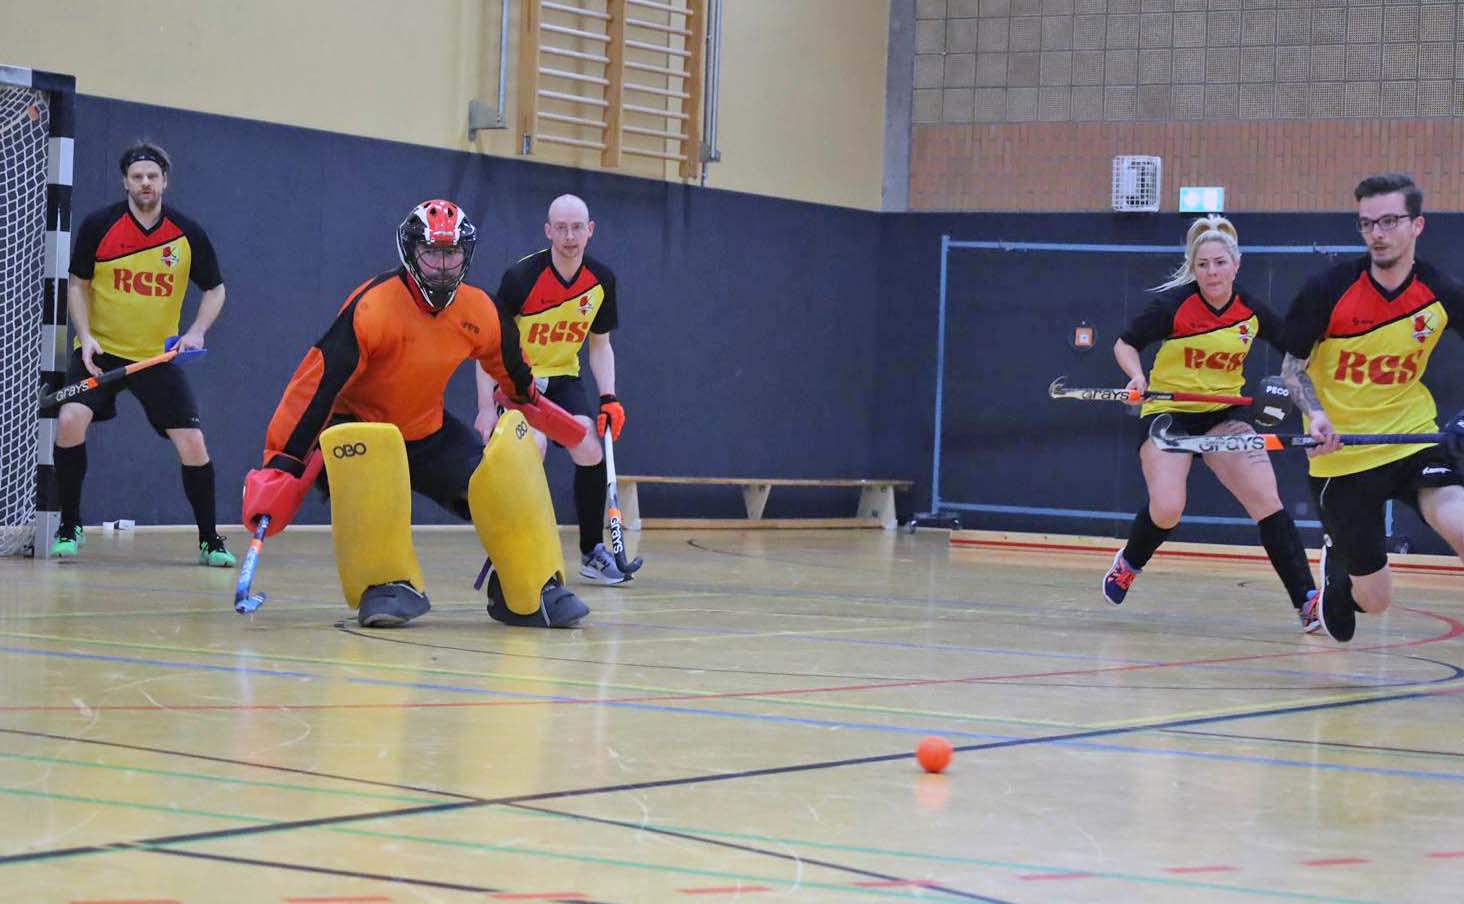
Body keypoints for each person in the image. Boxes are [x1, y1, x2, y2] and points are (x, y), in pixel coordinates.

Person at [243, 199, 590, 629]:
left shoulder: (480, 310)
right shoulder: (371, 308)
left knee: (497, 481)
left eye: (452, 254)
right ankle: (388, 584)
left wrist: (530, 403)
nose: (443, 267)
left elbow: (514, 373)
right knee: (369, 472)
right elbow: (314, 388)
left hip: (426, 430)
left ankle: (528, 588)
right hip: (360, 430)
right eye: (433, 253)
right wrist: (282, 462)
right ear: (411, 252)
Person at [1104, 215, 1318, 628]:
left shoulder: (1252, 310)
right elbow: (1125, 343)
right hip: (1170, 413)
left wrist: (1298, 385)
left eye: (1220, 263)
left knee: (1266, 501)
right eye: (1204, 265)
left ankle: (1307, 602)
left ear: (1236, 265)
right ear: (1193, 267)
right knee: (1167, 509)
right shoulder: (1173, 306)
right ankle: (1131, 560)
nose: (1213, 272)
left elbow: (1297, 349)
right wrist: (1136, 376)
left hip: (1225, 415)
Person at [1282, 174, 1464, 643]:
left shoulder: (1442, 292)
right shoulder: (1328, 290)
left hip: (1413, 440)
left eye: (1388, 221)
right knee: (1376, 602)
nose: (1376, 234)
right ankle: (1338, 568)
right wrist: (1316, 414)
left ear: (1417, 225)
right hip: (1341, 458)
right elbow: (1291, 371)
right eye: (1366, 224)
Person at [54, 141, 233, 566]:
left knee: (192, 442)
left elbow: (215, 289)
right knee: (69, 418)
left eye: (152, 176)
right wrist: (85, 335)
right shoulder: (100, 226)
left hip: (157, 358)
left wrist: (196, 332)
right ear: (126, 182)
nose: (145, 183)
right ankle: (69, 524)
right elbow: (77, 283)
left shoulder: (187, 233)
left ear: (164, 181)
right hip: (102, 352)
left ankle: (210, 540)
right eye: (137, 177)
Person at [480, 193, 629, 584]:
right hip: (518, 381)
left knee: (589, 449)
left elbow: (600, 346)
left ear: (590, 230)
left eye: (577, 227)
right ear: (548, 231)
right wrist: (483, 407)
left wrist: (608, 397)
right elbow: (489, 346)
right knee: (534, 447)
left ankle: (591, 552)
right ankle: (517, 548)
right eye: (560, 228)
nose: (569, 236)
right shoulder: (521, 278)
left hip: (563, 380)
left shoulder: (601, 282)